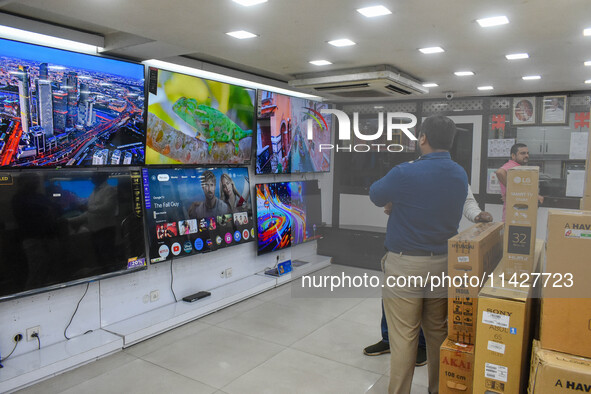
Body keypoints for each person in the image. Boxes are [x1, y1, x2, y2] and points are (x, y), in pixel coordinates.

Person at [369, 115, 468, 394]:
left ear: (422, 138)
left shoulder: (404, 172)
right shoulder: (460, 173)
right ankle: (439, 389)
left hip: (406, 265)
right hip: (443, 264)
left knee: (403, 336)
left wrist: (395, 201)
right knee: (437, 332)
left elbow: (376, 195)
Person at [363, 186, 492, 366]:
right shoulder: (409, 170)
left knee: (428, 305)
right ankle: (388, 339)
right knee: (391, 299)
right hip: (403, 248)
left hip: (435, 250)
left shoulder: (454, 174)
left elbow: (468, 202)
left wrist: (477, 215)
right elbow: (385, 196)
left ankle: (422, 345)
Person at [495, 143, 529, 221]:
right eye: (523, 153)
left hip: (518, 212)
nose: (526, 155)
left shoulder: (518, 167)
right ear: (513, 156)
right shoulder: (512, 165)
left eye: (527, 153)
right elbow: (499, 172)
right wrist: (512, 190)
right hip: (512, 213)